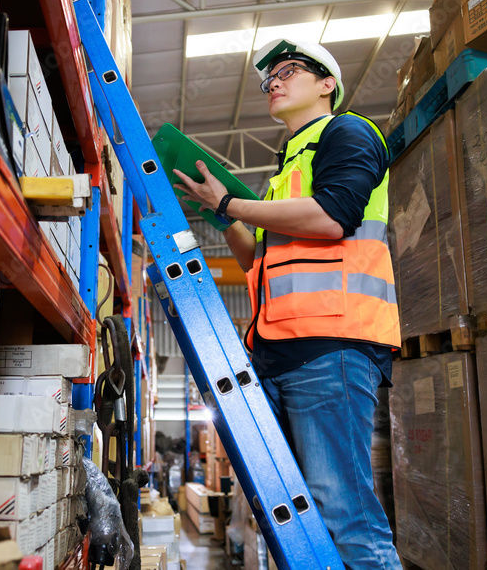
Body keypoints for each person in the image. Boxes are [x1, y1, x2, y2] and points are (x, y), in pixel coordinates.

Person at [172, 38, 402, 569]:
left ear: (328, 85)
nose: (273, 81)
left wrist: (232, 201)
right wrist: (223, 215)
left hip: (333, 346)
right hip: (281, 349)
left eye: (289, 71)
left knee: (344, 514)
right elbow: (258, 262)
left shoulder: (349, 132)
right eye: (268, 78)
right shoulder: (283, 173)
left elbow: (332, 218)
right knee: (300, 518)